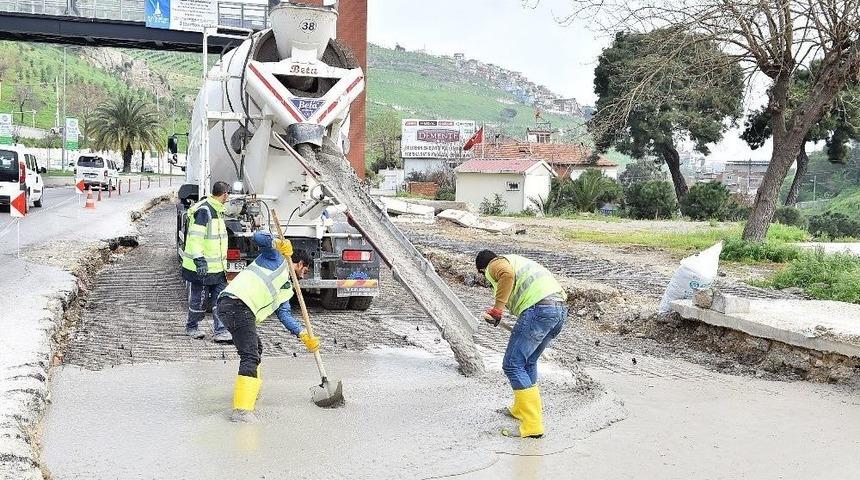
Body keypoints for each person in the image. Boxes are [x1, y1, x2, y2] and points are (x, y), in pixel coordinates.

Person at [217, 231, 320, 422]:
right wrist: (276, 243)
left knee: (256, 348)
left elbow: (285, 315)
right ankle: (241, 411)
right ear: (299, 264)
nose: (303, 277)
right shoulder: (276, 258)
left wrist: (303, 334)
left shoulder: (285, 288)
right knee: (250, 354)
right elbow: (257, 238)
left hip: (238, 309)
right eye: (304, 271)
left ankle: (250, 390)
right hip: (236, 303)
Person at [476, 249, 567, 438]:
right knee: (527, 362)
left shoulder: (495, 264)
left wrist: (496, 311)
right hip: (557, 311)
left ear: (482, 269)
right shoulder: (516, 260)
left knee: (512, 365)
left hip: (539, 310)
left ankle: (533, 425)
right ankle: (520, 410)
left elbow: (506, 276)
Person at [180, 181, 232, 343]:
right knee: (199, 300)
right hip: (202, 267)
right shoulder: (205, 211)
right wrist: (199, 260)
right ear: (224, 194)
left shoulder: (217, 210)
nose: (228, 198)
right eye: (227, 195)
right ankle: (192, 327)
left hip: (218, 268)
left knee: (220, 300)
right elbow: (195, 238)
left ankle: (221, 331)